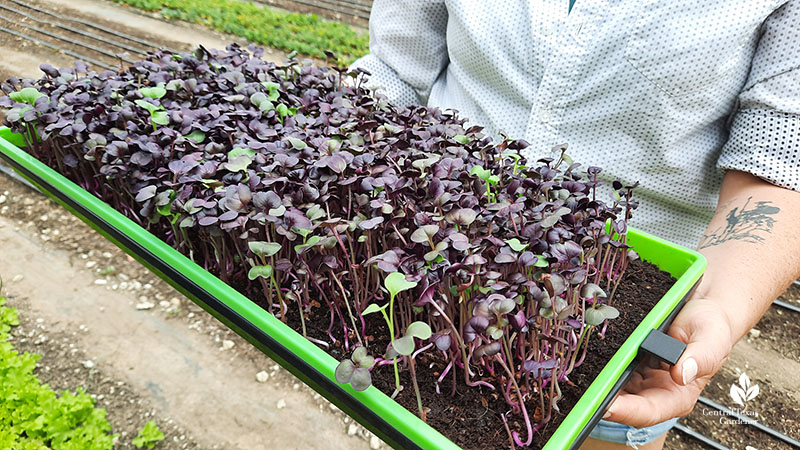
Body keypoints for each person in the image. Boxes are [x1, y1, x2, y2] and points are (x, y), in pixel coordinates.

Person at [350, 1, 800, 448]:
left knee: (598, 418)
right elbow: (394, 70)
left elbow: (780, 171)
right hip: (435, 256)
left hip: (628, 301)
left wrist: (719, 305)